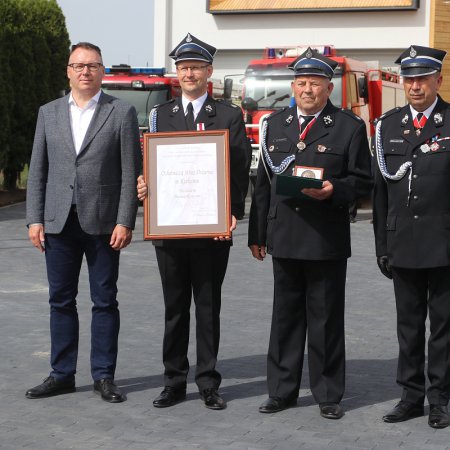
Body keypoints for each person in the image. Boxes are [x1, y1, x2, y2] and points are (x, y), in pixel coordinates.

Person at [248, 48, 372, 419]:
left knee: (325, 319)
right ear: (293, 86)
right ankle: (282, 391)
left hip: (325, 238)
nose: (307, 90)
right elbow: (264, 185)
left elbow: (364, 183)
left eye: (315, 84)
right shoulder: (274, 124)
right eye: (301, 83)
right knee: (285, 318)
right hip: (284, 235)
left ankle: (329, 393)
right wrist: (257, 234)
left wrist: (335, 190)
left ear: (328, 88)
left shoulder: (349, 127)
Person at [137, 33, 251, 410]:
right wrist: (144, 185)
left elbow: (236, 174)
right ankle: (173, 381)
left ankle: (207, 381)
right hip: (169, 228)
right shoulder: (160, 115)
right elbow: (152, 166)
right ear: (178, 72)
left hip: (211, 229)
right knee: (174, 308)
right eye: (184, 67)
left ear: (209, 72)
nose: (189, 73)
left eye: (196, 67)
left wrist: (232, 214)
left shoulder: (229, 116)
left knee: (207, 306)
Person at [25, 42, 141, 403]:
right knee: (60, 300)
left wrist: (126, 220)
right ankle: (62, 373)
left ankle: (104, 375)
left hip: (105, 223)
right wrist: (34, 219)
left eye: (92, 65)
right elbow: (38, 171)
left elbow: (129, 172)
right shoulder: (49, 113)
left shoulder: (121, 112)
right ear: (68, 71)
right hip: (58, 222)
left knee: (104, 301)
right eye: (78, 65)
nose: (85, 71)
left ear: (102, 71)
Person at [373, 45, 450, 429]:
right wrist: (382, 246)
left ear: (438, 79)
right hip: (403, 243)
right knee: (408, 326)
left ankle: (440, 398)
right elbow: (380, 193)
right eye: (409, 78)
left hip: (444, 244)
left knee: (444, 327)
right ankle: (410, 396)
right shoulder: (387, 125)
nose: (415, 85)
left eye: (423, 78)